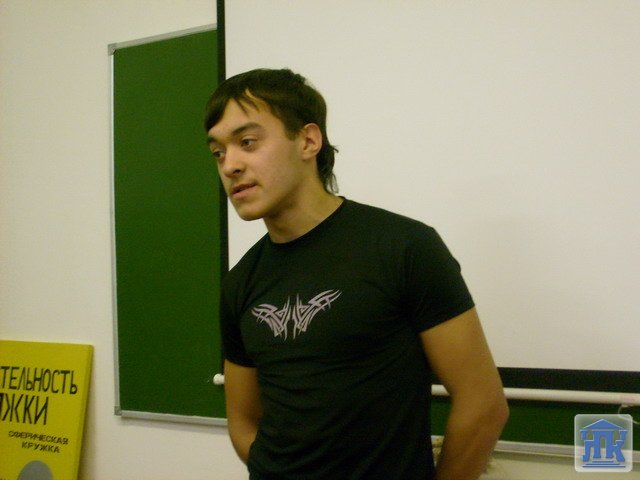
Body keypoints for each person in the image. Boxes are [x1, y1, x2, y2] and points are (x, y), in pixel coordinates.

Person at [204, 68, 508, 480]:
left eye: (247, 142)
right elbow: (242, 419)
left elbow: (483, 405)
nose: (230, 165)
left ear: (308, 141)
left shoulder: (403, 248)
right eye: (218, 152)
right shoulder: (241, 281)